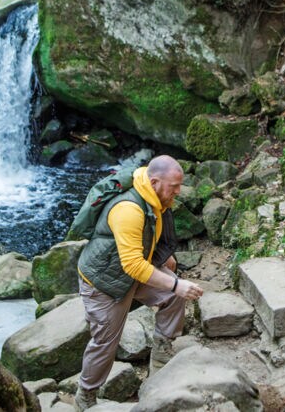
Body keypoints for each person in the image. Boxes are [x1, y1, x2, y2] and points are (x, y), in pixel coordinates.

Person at [73, 155, 204, 411]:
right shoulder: (129, 209)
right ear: (154, 182)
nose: (178, 192)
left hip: (131, 270)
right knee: (105, 344)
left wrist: (167, 267)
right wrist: (175, 284)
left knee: (173, 293)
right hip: (104, 283)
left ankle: (161, 355)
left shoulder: (153, 195)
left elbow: (147, 240)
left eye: (179, 185)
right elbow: (131, 264)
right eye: (174, 187)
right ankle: (85, 396)